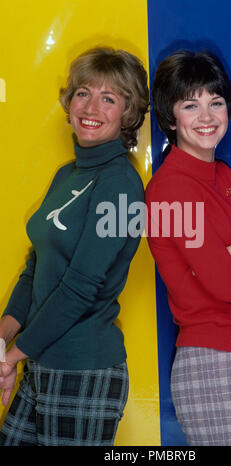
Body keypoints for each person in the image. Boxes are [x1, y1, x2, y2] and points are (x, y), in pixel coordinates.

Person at [0, 46, 149, 446]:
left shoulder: (121, 184)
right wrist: (3, 337)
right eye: (83, 92)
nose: (92, 107)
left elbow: (81, 287)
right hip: (41, 360)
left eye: (109, 98)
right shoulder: (67, 174)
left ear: (128, 113)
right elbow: (37, 267)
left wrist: (13, 357)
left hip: (84, 372)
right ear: (69, 102)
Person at [145, 49, 231, 446]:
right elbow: (224, 286)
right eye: (191, 105)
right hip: (211, 364)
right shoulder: (171, 190)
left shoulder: (221, 174)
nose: (207, 117)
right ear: (171, 118)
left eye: (215, 103)